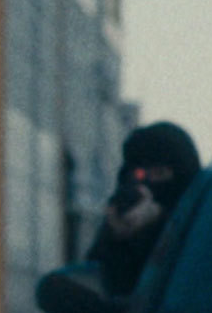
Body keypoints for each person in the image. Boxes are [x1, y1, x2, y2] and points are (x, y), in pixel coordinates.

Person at [85, 121, 201, 299]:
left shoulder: (206, 221)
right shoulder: (122, 219)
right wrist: (118, 238)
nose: (148, 183)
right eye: (139, 175)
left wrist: (161, 224)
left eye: (160, 173)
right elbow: (100, 286)